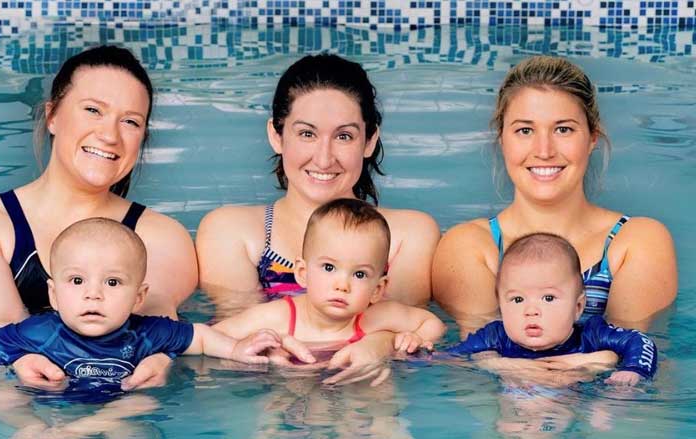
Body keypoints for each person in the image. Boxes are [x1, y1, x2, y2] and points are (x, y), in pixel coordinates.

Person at [0, 45, 198, 390]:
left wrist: (160, 360)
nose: (109, 135)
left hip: (129, 406)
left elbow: (153, 334)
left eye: (130, 121)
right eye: (93, 110)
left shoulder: (163, 236)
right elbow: (1, 341)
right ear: (52, 115)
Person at [197, 53, 441, 384]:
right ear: (276, 135)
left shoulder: (408, 234)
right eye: (307, 134)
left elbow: (407, 336)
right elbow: (233, 344)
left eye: (344, 136)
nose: (324, 158)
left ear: (369, 141)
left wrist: (379, 345)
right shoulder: (232, 231)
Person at [432, 55, 677, 334]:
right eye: (525, 130)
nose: (544, 150)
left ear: (592, 138)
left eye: (563, 129)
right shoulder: (471, 246)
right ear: (502, 140)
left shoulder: (636, 241)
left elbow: (633, 354)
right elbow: (479, 360)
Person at [0, 218, 278, 379]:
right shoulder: (40, 334)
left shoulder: (146, 334)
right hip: (55, 408)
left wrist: (237, 350)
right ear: (53, 293)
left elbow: (200, 336)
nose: (93, 293)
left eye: (113, 283)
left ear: (138, 296)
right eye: (77, 280)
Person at [213, 199, 446, 371]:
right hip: (290, 389)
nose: (342, 285)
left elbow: (432, 324)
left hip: (361, 386)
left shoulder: (378, 316)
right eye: (328, 268)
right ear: (302, 273)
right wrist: (251, 345)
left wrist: (404, 340)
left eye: (360, 274)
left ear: (378, 289)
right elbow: (213, 337)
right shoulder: (278, 317)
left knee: (381, 402)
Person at [446, 233, 658, 386]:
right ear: (501, 305)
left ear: (578, 307)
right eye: (517, 299)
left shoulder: (591, 336)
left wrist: (633, 370)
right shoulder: (495, 337)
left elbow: (641, 341)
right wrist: (418, 350)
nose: (531, 310)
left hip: (579, 403)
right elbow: (448, 358)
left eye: (548, 298)